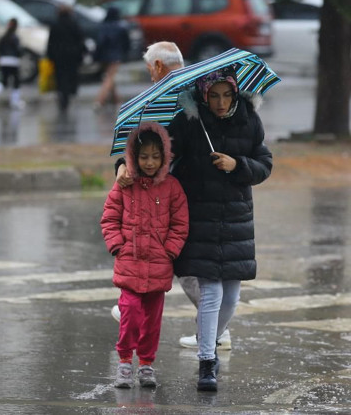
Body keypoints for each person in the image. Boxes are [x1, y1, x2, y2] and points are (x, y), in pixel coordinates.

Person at [110, 42, 234, 351]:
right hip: (168, 194)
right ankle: (212, 326)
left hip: (183, 196)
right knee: (180, 261)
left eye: (149, 69)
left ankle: (216, 329)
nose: (150, 75)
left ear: (158, 68)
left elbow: (158, 147)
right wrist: (123, 164)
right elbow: (143, 148)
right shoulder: (177, 96)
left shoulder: (190, 100)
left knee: (186, 263)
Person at [169, 67, 272, 391]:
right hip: (200, 217)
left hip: (237, 220)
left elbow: (264, 164)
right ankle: (206, 363)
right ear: (203, 95)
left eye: (226, 95)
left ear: (236, 93)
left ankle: (205, 337)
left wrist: (237, 165)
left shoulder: (249, 119)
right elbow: (164, 155)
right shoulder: (188, 121)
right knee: (211, 292)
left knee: (232, 296)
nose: (220, 102)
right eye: (213, 96)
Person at [100, 122, 189, 389]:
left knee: (152, 321)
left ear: (164, 158)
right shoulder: (125, 185)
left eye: (155, 156)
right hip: (130, 264)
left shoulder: (172, 187)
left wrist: (169, 250)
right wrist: (118, 246)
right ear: (133, 157)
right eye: (143, 156)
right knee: (130, 314)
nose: (149, 163)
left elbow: (180, 224)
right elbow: (109, 218)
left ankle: (147, 363)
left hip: (159, 266)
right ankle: (125, 360)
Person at [46, 5, 87, 114]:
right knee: (71, 75)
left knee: (60, 77)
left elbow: (51, 42)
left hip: (58, 56)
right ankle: (70, 92)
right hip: (73, 56)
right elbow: (81, 40)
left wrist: (50, 56)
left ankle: (62, 95)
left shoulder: (55, 25)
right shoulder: (74, 24)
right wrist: (82, 53)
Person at [94, 7, 130, 110]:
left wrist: (96, 56)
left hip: (103, 56)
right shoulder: (121, 27)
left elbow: (100, 43)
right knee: (109, 78)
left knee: (110, 78)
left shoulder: (102, 26)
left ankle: (117, 100)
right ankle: (99, 101)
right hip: (116, 56)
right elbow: (126, 44)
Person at [0, 18, 25, 109]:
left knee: (4, 81)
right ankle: (15, 102)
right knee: (16, 82)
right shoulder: (15, 38)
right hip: (13, 61)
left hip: (3, 60)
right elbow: (18, 50)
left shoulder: (4, 37)